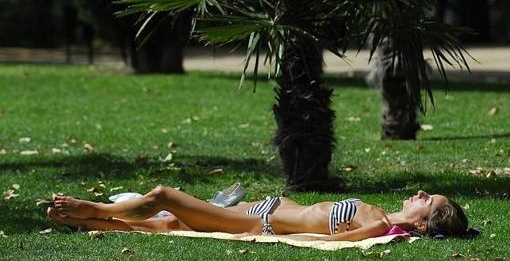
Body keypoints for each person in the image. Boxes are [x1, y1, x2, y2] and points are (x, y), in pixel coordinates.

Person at [47, 187, 468, 241]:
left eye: (427, 200)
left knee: (164, 198)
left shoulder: (377, 222)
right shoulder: (375, 211)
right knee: (166, 225)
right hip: (262, 208)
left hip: (255, 222)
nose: (420, 193)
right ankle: (86, 222)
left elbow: (327, 241)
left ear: (422, 223)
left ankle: (95, 208)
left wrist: (379, 229)